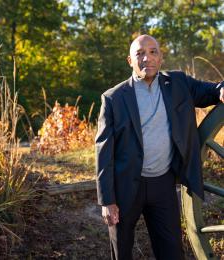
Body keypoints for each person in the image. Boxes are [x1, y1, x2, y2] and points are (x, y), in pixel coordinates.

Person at [95, 34, 224, 260]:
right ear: (130, 60)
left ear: (161, 57)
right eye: (140, 54)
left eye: (153, 52)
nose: (147, 58)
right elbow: (103, 153)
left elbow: (211, 91)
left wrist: (221, 88)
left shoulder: (178, 83)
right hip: (126, 188)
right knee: (122, 251)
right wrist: (107, 200)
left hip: (163, 184)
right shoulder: (114, 98)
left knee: (172, 251)